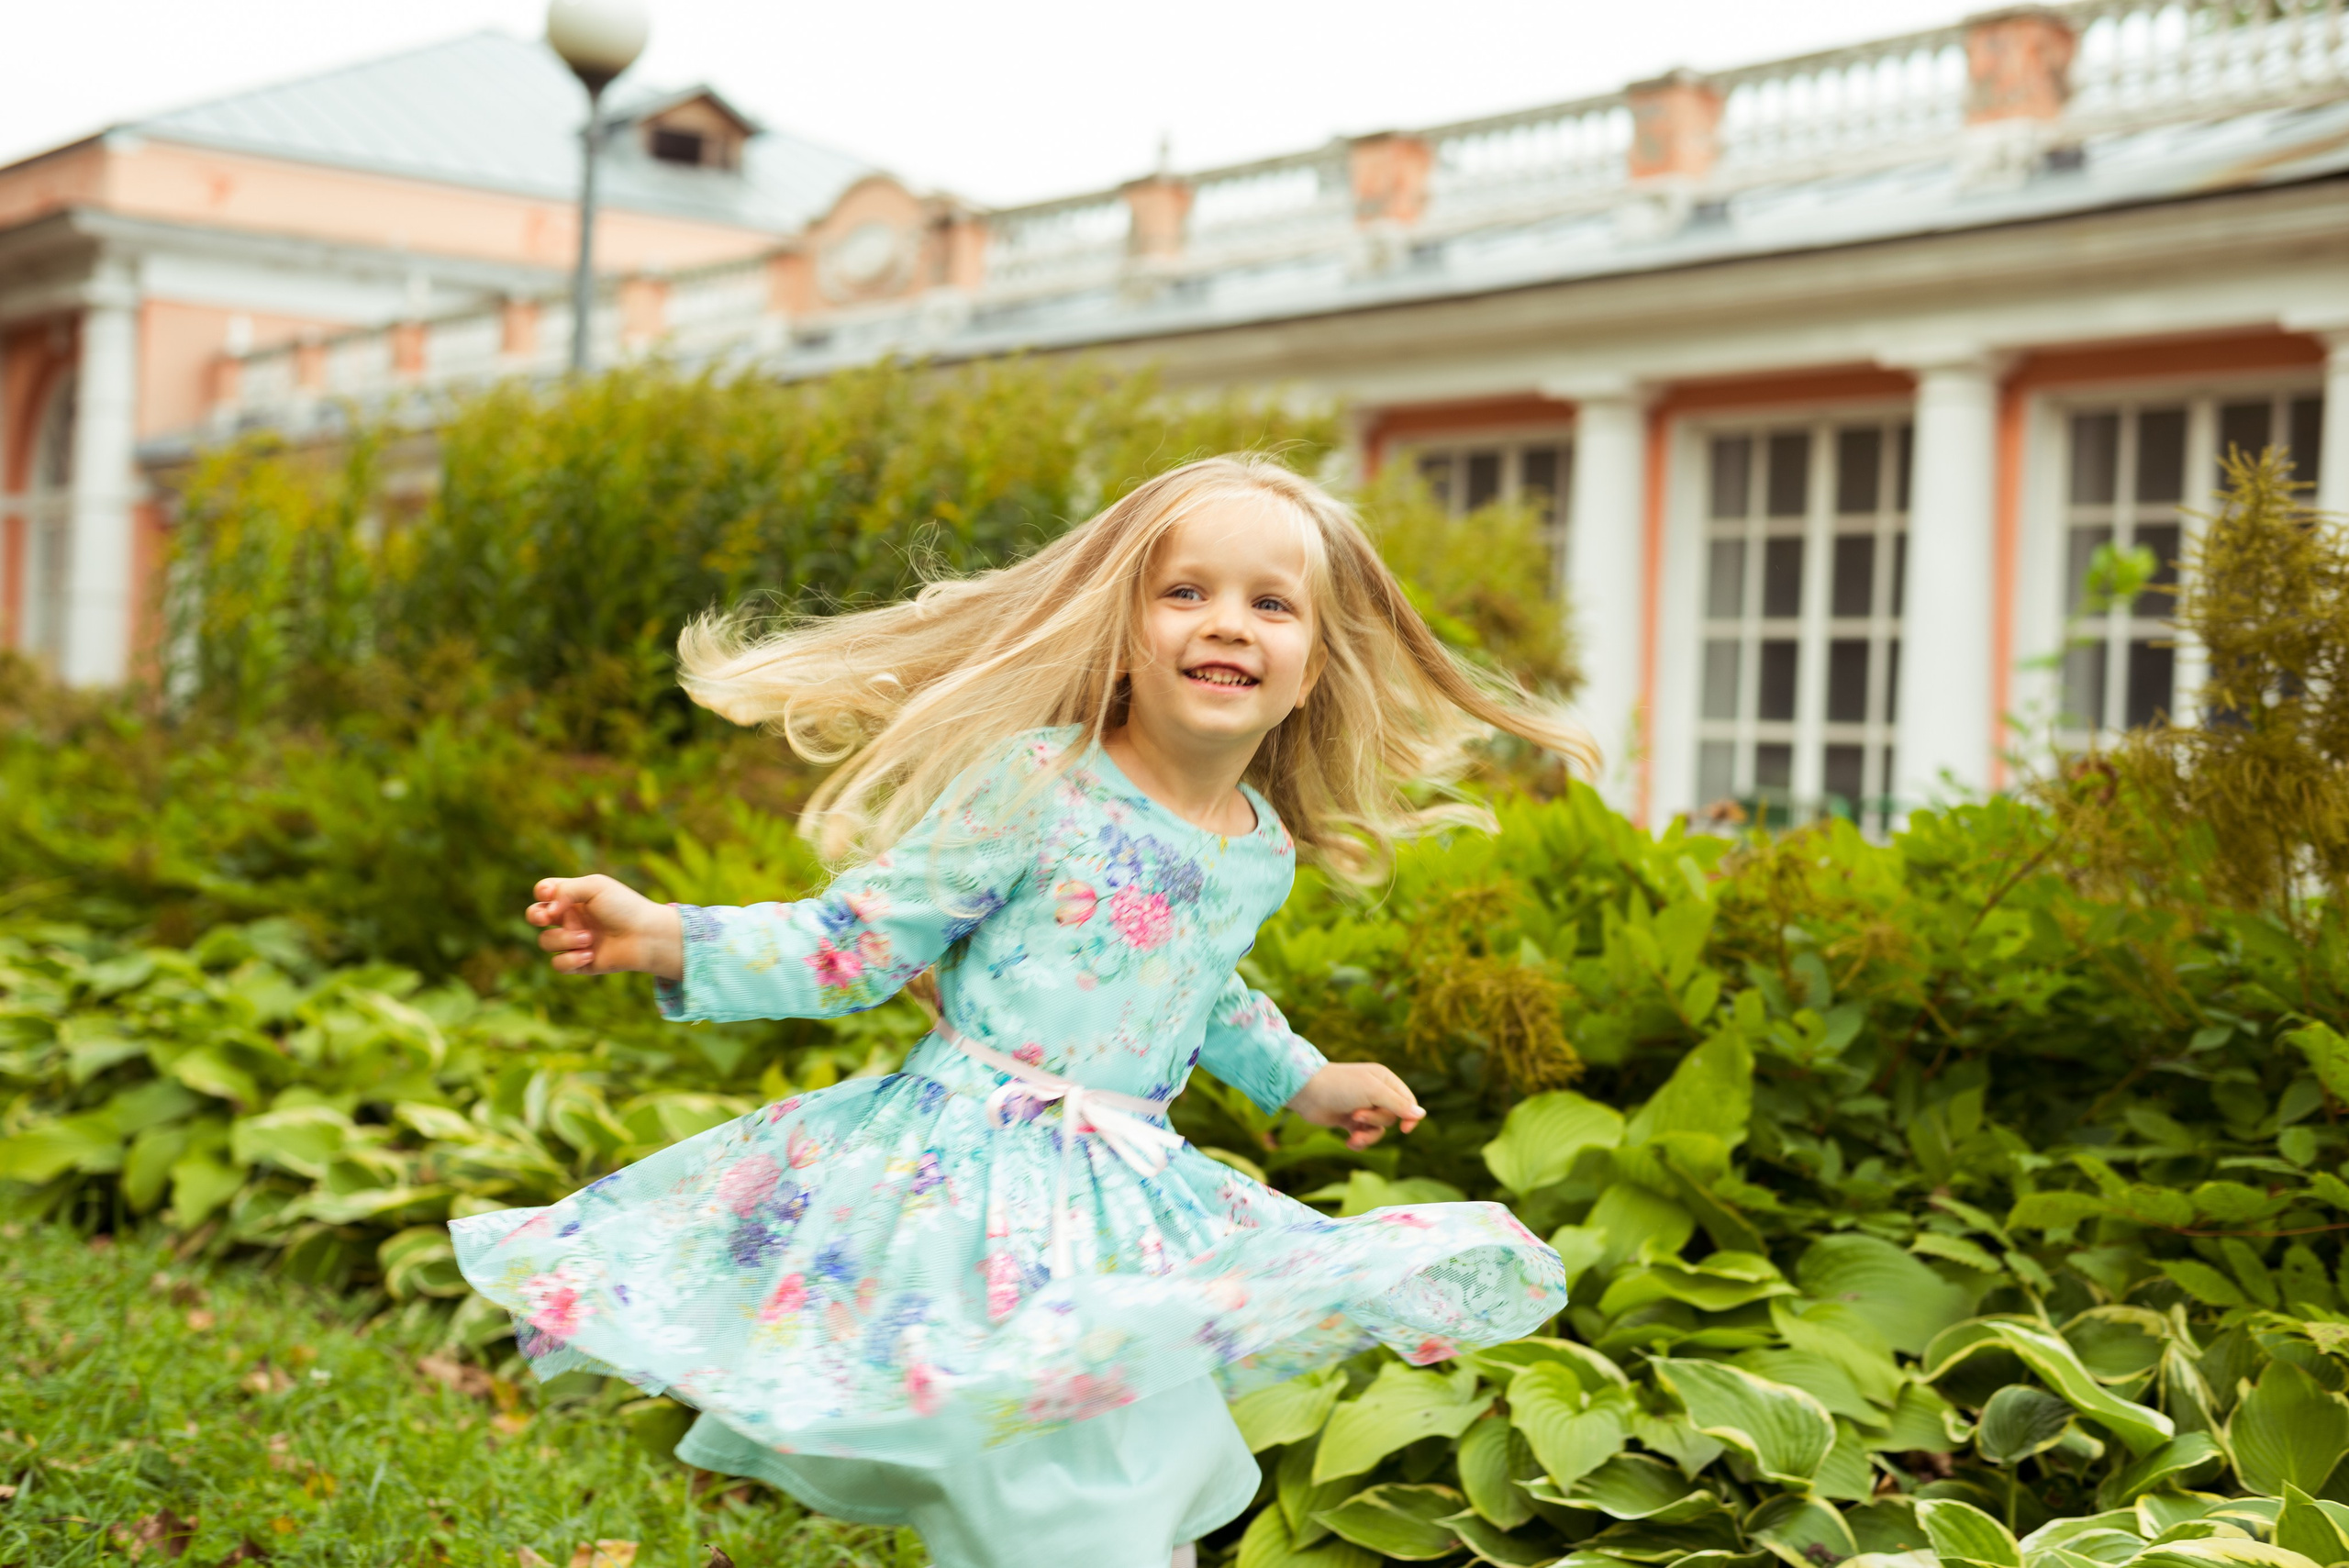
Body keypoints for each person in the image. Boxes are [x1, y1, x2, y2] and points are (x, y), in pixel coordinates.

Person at [451, 454, 1594, 1568]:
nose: (1228, 622)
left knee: (1147, 1465)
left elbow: (1204, 988)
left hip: (1123, 1203)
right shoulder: (1039, 781)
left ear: (1313, 672)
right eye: (1185, 591)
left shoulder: (1259, 846)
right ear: (1123, 637)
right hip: (972, 1189)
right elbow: (854, 943)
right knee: (1053, 1499)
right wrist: (666, 934)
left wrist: (1304, 1078)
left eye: (1271, 603)